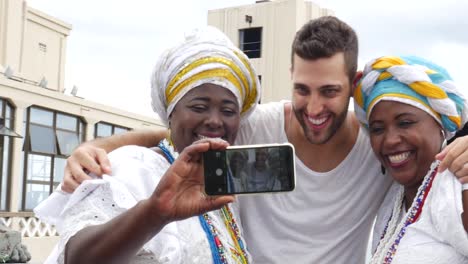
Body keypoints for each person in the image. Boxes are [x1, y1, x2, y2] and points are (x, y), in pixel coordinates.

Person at [60, 17, 468, 263]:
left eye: (329, 91)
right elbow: (186, 135)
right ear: (290, 75)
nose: (313, 108)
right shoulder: (254, 128)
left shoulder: (378, 146)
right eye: (302, 89)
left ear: (353, 84)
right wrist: (96, 147)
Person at [34, 26, 261, 264]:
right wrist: (155, 212)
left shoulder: (222, 188)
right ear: (170, 114)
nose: (215, 121)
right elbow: (78, 258)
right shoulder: (132, 166)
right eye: (199, 107)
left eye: (227, 111)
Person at [355, 55, 468, 263]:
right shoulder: (393, 200)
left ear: (440, 125)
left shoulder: (455, 187)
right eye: (378, 129)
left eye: (405, 123)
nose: (390, 140)